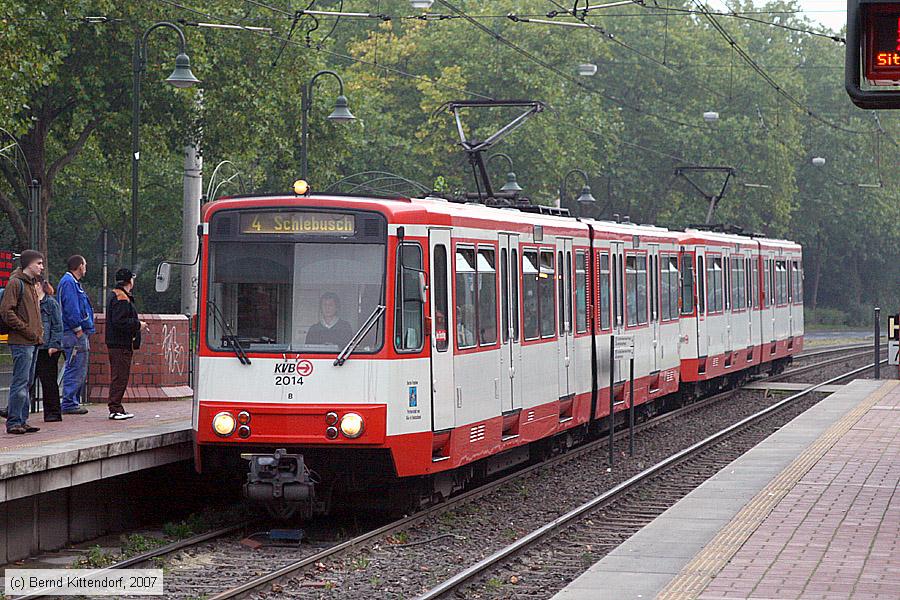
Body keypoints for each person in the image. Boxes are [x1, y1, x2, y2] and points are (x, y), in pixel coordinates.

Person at [0, 250, 44, 434]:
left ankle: (22, 418)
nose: (42, 267)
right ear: (29, 264)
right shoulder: (16, 283)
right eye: (39, 263)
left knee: (27, 382)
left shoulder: (31, 285)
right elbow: (6, 311)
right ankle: (14, 421)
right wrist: (25, 328)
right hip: (22, 341)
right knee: (20, 381)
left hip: (32, 341)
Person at [105, 268, 147, 420]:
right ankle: (115, 408)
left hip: (118, 344)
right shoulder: (121, 298)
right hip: (120, 344)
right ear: (129, 281)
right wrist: (138, 325)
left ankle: (117, 407)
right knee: (120, 377)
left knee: (120, 376)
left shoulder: (116, 295)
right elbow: (120, 321)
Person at [57, 255, 94, 415]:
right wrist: (78, 329)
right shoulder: (69, 283)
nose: (86, 268)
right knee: (75, 366)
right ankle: (69, 402)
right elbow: (71, 308)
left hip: (74, 332)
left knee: (77, 366)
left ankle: (73, 400)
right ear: (79, 266)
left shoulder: (71, 282)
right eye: (84, 265)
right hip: (73, 333)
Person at [34, 278, 63, 422]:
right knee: (27, 380)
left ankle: (53, 412)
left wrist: (54, 344)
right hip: (34, 346)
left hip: (48, 348)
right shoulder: (31, 303)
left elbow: (58, 325)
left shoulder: (51, 303)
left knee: (49, 381)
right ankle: (15, 410)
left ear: (38, 285)